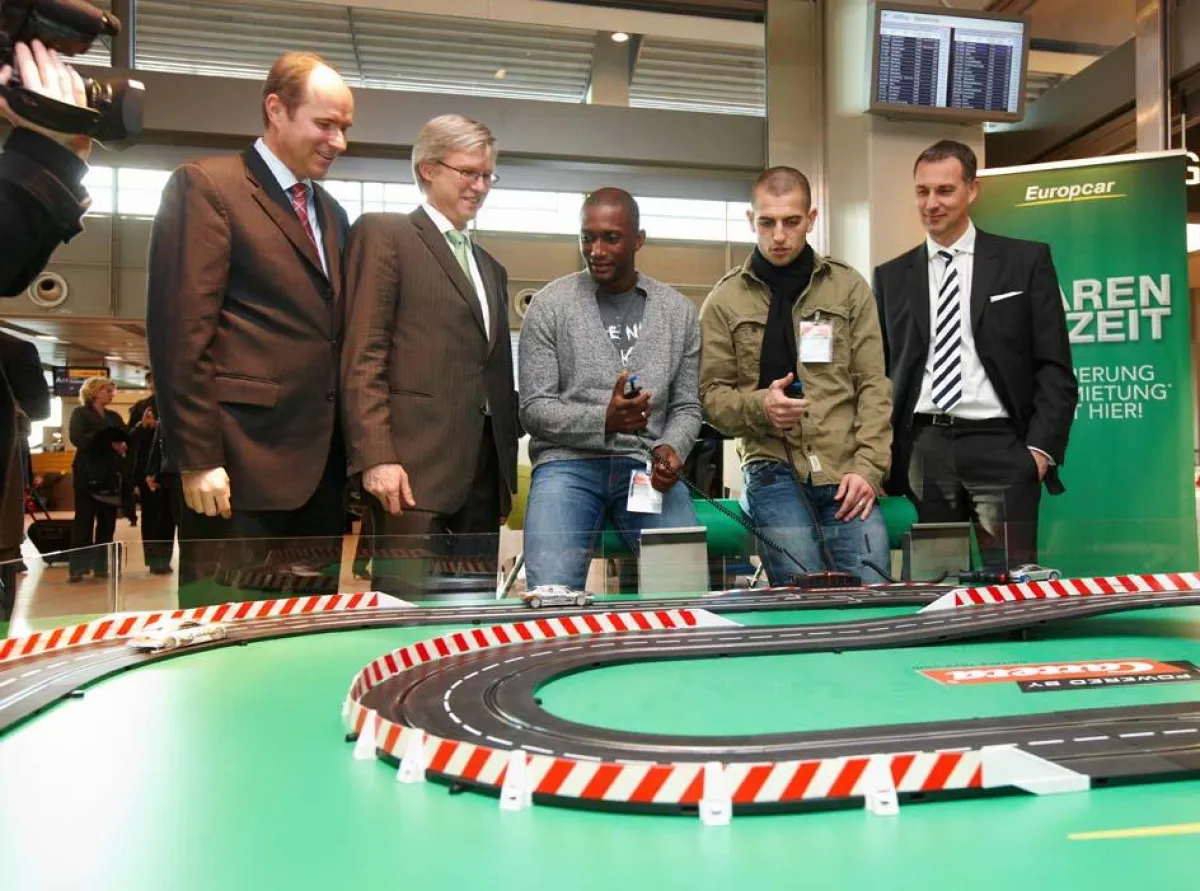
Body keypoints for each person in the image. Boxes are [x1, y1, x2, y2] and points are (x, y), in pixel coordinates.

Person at [146, 52, 355, 588]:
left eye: (345, 128)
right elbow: (181, 334)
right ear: (276, 109)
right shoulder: (208, 186)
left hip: (318, 475)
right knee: (228, 634)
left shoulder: (332, 213)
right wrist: (196, 458)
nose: (339, 142)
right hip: (236, 468)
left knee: (307, 635)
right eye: (326, 124)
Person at [873, 140, 1077, 569]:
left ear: (972, 190)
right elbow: (882, 374)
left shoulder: (1024, 262)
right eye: (922, 191)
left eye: (944, 191)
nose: (931, 203)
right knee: (932, 585)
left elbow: (1055, 368)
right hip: (923, 452)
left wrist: (1038, 453)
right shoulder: (890, 277)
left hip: (1001, 444)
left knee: (1009, 587)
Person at [342, 114, 519, 597]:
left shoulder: (490, 268)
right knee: (404, 619)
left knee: (470, 618)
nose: (480, 187)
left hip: (482, 482)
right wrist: (376, 456)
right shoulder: (386, 235)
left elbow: (492, 374)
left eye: (487, 176)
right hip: (410, 478)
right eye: (468, 172)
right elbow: (364, 354)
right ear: (427, 169)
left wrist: (502, 475)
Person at [699, 167, 893, 585]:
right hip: (772, 469)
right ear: (752, 221)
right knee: (805, 590)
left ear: (811, 218)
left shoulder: (847, 288)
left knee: (875, 590)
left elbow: (873, 384)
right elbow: (710, 397)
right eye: (767, 222)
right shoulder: (724, 300)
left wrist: (868, 468)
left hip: (846, 468)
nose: (779, 235)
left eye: (791, 221)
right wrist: (760, 407)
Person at [518, 188, 701, 591]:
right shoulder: (550, 306)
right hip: (567, 465)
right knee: (551, 593)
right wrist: (604, 419)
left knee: (684, 588)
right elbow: (533, 409)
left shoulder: (679, 313)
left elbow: (687, 406)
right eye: (587, 237)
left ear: (638, 239)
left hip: (646, 467)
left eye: (611, 238)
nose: (596, 250)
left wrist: (672, 448)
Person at [67, 378, 128, 582]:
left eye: (112, 391)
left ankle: (101, 566)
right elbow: (78, 439)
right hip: (87, 473)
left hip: (109, 475)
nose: (112, 394)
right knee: (83, 521)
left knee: (107, 523)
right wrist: (108, 442)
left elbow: (125, 438)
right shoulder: (80, 414)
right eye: (107, 390)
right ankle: (78, 568)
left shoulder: (113, 417)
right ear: (94, 392)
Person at [128, 375, 173, 574]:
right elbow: (129, 439)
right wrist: (143, 425)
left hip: (170, 468)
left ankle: (166, 558)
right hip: (147, 468)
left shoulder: (174, 403)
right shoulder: (140, 407)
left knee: (168, 517)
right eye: (152, 381)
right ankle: (155, 560)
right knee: (152, 517)